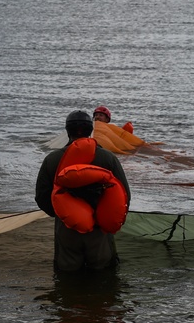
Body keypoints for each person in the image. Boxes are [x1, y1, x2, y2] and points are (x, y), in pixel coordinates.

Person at [35, 110, 131, 272]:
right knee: (104, 274)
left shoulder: (52, 159)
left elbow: (42, 197)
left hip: (67, 228)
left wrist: (61, 214)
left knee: (67, 274)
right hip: (100, 229)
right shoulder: (108, 158)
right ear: (90, 130)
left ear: (67, 131)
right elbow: (124, 195)